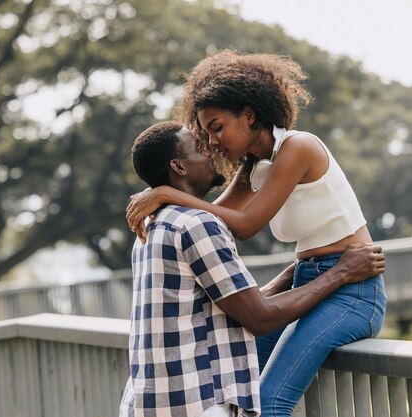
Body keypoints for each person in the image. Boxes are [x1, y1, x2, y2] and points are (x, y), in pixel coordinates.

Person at [125, 51, 387, 417]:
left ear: (248, 115)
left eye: (217, 127)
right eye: (205, 133)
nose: (213, 142)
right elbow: (224, 215)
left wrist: (168, 193)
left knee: (269, 403)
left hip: (352, 286)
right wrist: (170, 196)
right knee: (243, 384)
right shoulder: (255, 166)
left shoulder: (298, 147)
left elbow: (245, 226)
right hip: (308, 279)